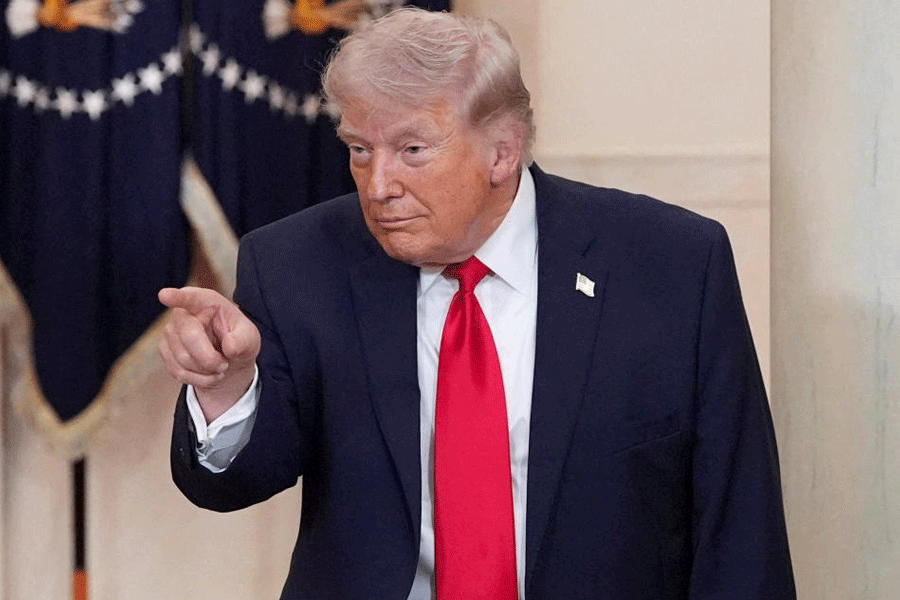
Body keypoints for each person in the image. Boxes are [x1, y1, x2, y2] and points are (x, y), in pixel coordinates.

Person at [160, 8, 795, 600]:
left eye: (412, 150)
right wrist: (228, 388)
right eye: (359, 149)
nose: (378, 185)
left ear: (502, 151)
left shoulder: (669, 265)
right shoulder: (296, 262)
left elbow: (739, 521)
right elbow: (233, 485)